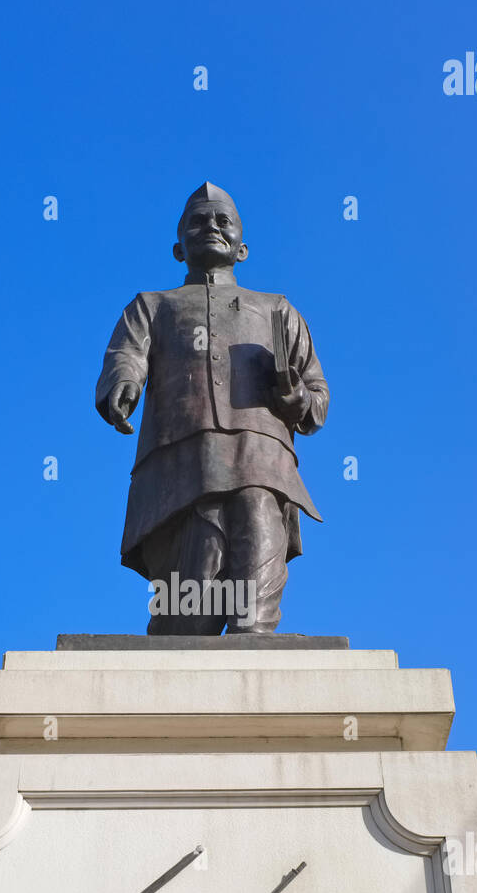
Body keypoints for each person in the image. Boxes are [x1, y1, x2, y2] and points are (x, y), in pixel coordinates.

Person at [95, 182, 329, 634]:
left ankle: (254, 656)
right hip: (183, 462)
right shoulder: (153, 306)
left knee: (258, 542)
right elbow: (127, 356)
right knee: (193, 593)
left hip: (262, 458)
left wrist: (295, 396)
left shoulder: (276, 309)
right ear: (178, 248)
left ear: (243, 248)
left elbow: (316, 397)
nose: (212, 227)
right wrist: (122, 384)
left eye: (223, 220)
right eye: (198, 221)